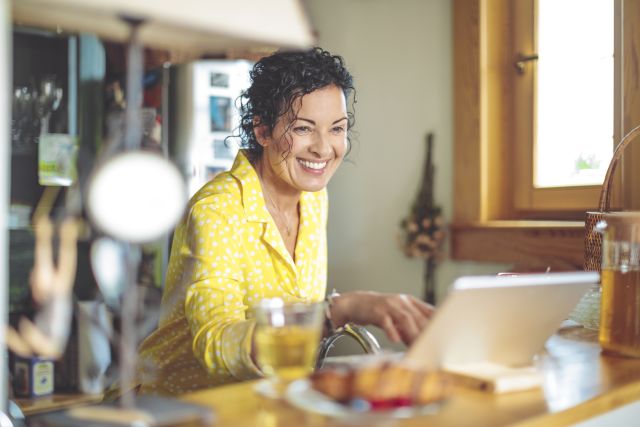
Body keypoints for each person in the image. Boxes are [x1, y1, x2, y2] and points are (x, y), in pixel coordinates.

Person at [136, 47, 434, 395]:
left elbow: (296, 318)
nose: (324, 149)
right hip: (183, 410)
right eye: (304, 129)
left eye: (337, 129)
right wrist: (339, 310)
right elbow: (216, 345)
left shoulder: (314, 198)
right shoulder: (216, 210)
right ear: (262, 130)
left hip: (264, 404)